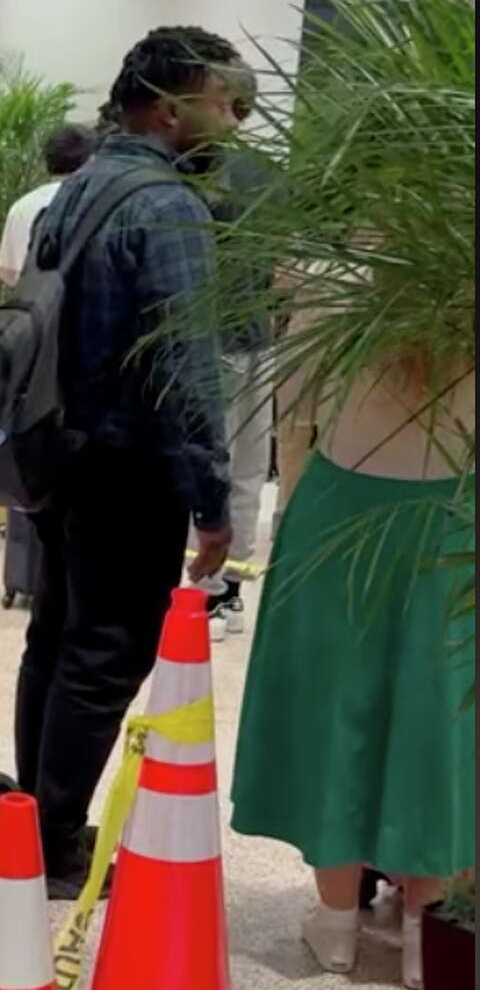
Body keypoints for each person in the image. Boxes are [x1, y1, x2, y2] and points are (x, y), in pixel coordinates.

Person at [16, 26, 238, 898]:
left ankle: (31, 818)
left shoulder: (80, 186)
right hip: (129, 463)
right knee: (105, 653)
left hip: (58, 450)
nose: (231, 118)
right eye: (220, 102)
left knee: (56, 635)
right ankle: (56, 838)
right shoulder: (170, 206)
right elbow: (186, 367)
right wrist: (212, 499)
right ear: (169, 103)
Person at [231, 326, 474, 990]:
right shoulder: (457, 273)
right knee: (444, 709)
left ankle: (336, 918)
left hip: (340, 504)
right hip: (455, 505)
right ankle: (431, 928)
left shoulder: (327, 274)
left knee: (335, 703)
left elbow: (298, 404)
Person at [194, 67, 280, 633]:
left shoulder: (203, 174)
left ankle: (203, 587)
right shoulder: (272, 174)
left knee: (210, 464)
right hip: (262, 335)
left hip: (212, 338)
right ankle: (229, 592)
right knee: (249, 468)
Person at [0, 124, 98, 287]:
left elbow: (5, 271)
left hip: (29, 304)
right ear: (92, 159)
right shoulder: (95, 201)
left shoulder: (22, 206)